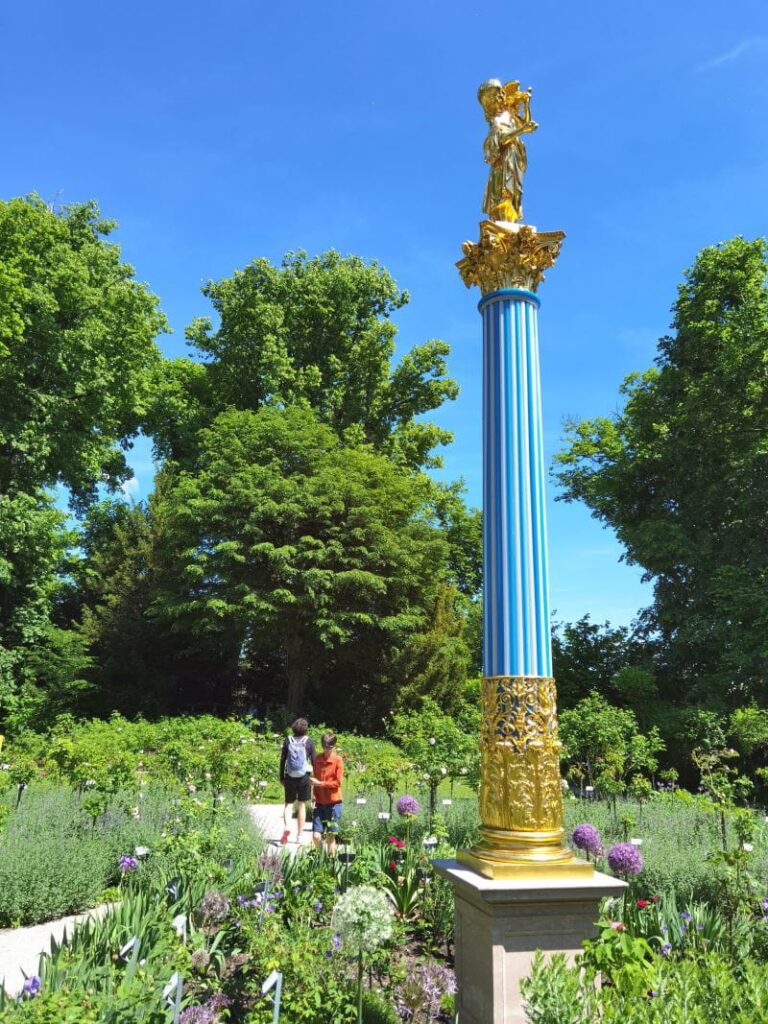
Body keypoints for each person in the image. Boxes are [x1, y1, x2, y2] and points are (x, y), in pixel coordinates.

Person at [279, 718, 316, 844]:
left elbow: (283, 760)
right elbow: (315, 761)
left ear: (293, 728)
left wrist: (281, 777)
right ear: (306, 729)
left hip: (289, 776)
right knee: (301, 805)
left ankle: (287, 826)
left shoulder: (287, 740)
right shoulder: (309, 741)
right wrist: (315, 778)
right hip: (304, 777)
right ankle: (299, 835)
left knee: (288, 804)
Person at [309, 732, 344, 854]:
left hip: (334, 803)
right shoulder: (318, 759)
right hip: (319, 803)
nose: (326, 749)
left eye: (329, 747)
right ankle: (320, 860)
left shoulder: (338, 760)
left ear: (334, 746)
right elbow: (315, 779)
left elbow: (338, 783)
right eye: (324, 746)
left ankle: (330, 862)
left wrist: (320, 783)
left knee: (330, 836)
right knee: (316, 836)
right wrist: (313, 798)